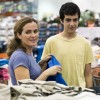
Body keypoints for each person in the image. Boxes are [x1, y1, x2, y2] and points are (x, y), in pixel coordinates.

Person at [41, 2, 94, 88]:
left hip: (79, 92)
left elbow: (88, 74)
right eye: (68, 20)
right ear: (62, 20)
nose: (72, 24)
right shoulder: (51, 42)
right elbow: (44, 69)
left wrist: (89, 93)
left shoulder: (85, 43)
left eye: (75, 20)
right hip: (57, 91)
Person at [7, 17, 61, 85]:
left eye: (35, 31)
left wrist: (40, 65)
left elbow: (32, 77)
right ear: (19, 35)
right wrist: (46, 73)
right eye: (28, 32)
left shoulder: (28, 53)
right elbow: (25, 88)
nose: (33, 35)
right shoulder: (20, 56)